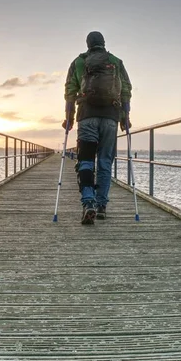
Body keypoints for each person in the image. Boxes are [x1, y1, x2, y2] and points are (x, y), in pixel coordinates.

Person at [62, 31, 132, 224]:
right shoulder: (116, 61)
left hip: (86, 116)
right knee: (104, 162)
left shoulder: (78, 62)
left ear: (88, 44)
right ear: (103, 43)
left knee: (85, 160)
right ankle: (102, 206)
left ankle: (88, 202)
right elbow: (126, 90)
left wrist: (68, 117)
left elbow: (70, 90)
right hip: (111, 116)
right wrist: (125, 117)